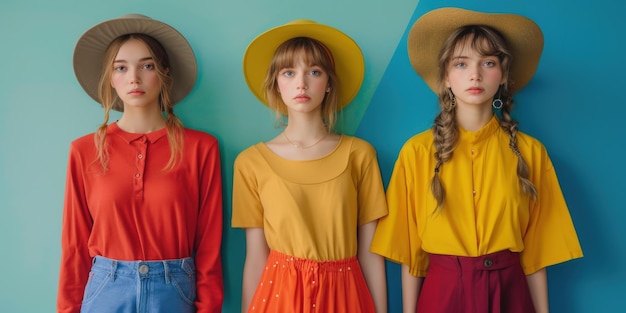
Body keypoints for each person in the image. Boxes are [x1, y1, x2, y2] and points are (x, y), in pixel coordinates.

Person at [371, 7, 583, 313]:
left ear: (503, 76)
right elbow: (410, 256)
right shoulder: (416, 153)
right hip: (441, 294)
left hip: (510, 293)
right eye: (461, 63)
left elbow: (538, 256)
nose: (475, 74)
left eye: (488, 62)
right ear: (445, 76)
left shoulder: (531, 152)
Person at [57, 14, 224, 313]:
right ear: (110, 77)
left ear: (163, 73)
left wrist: (209, 307)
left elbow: (210, 243)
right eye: (121, 68)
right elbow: (74, 244)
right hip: (105, 290)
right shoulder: (84, 150)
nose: (134, 77)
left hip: (174, 292)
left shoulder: (201, 148)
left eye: (147, 66)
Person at [232, 20, 388, 313]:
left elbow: (371, 253)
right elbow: (255, 257)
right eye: (289, 73)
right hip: (278, 297)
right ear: (276, 84)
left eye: (314, 72)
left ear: (328, 83)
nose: (301, 83)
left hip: (345, 295)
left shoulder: (360, 154)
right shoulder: (251, 162)